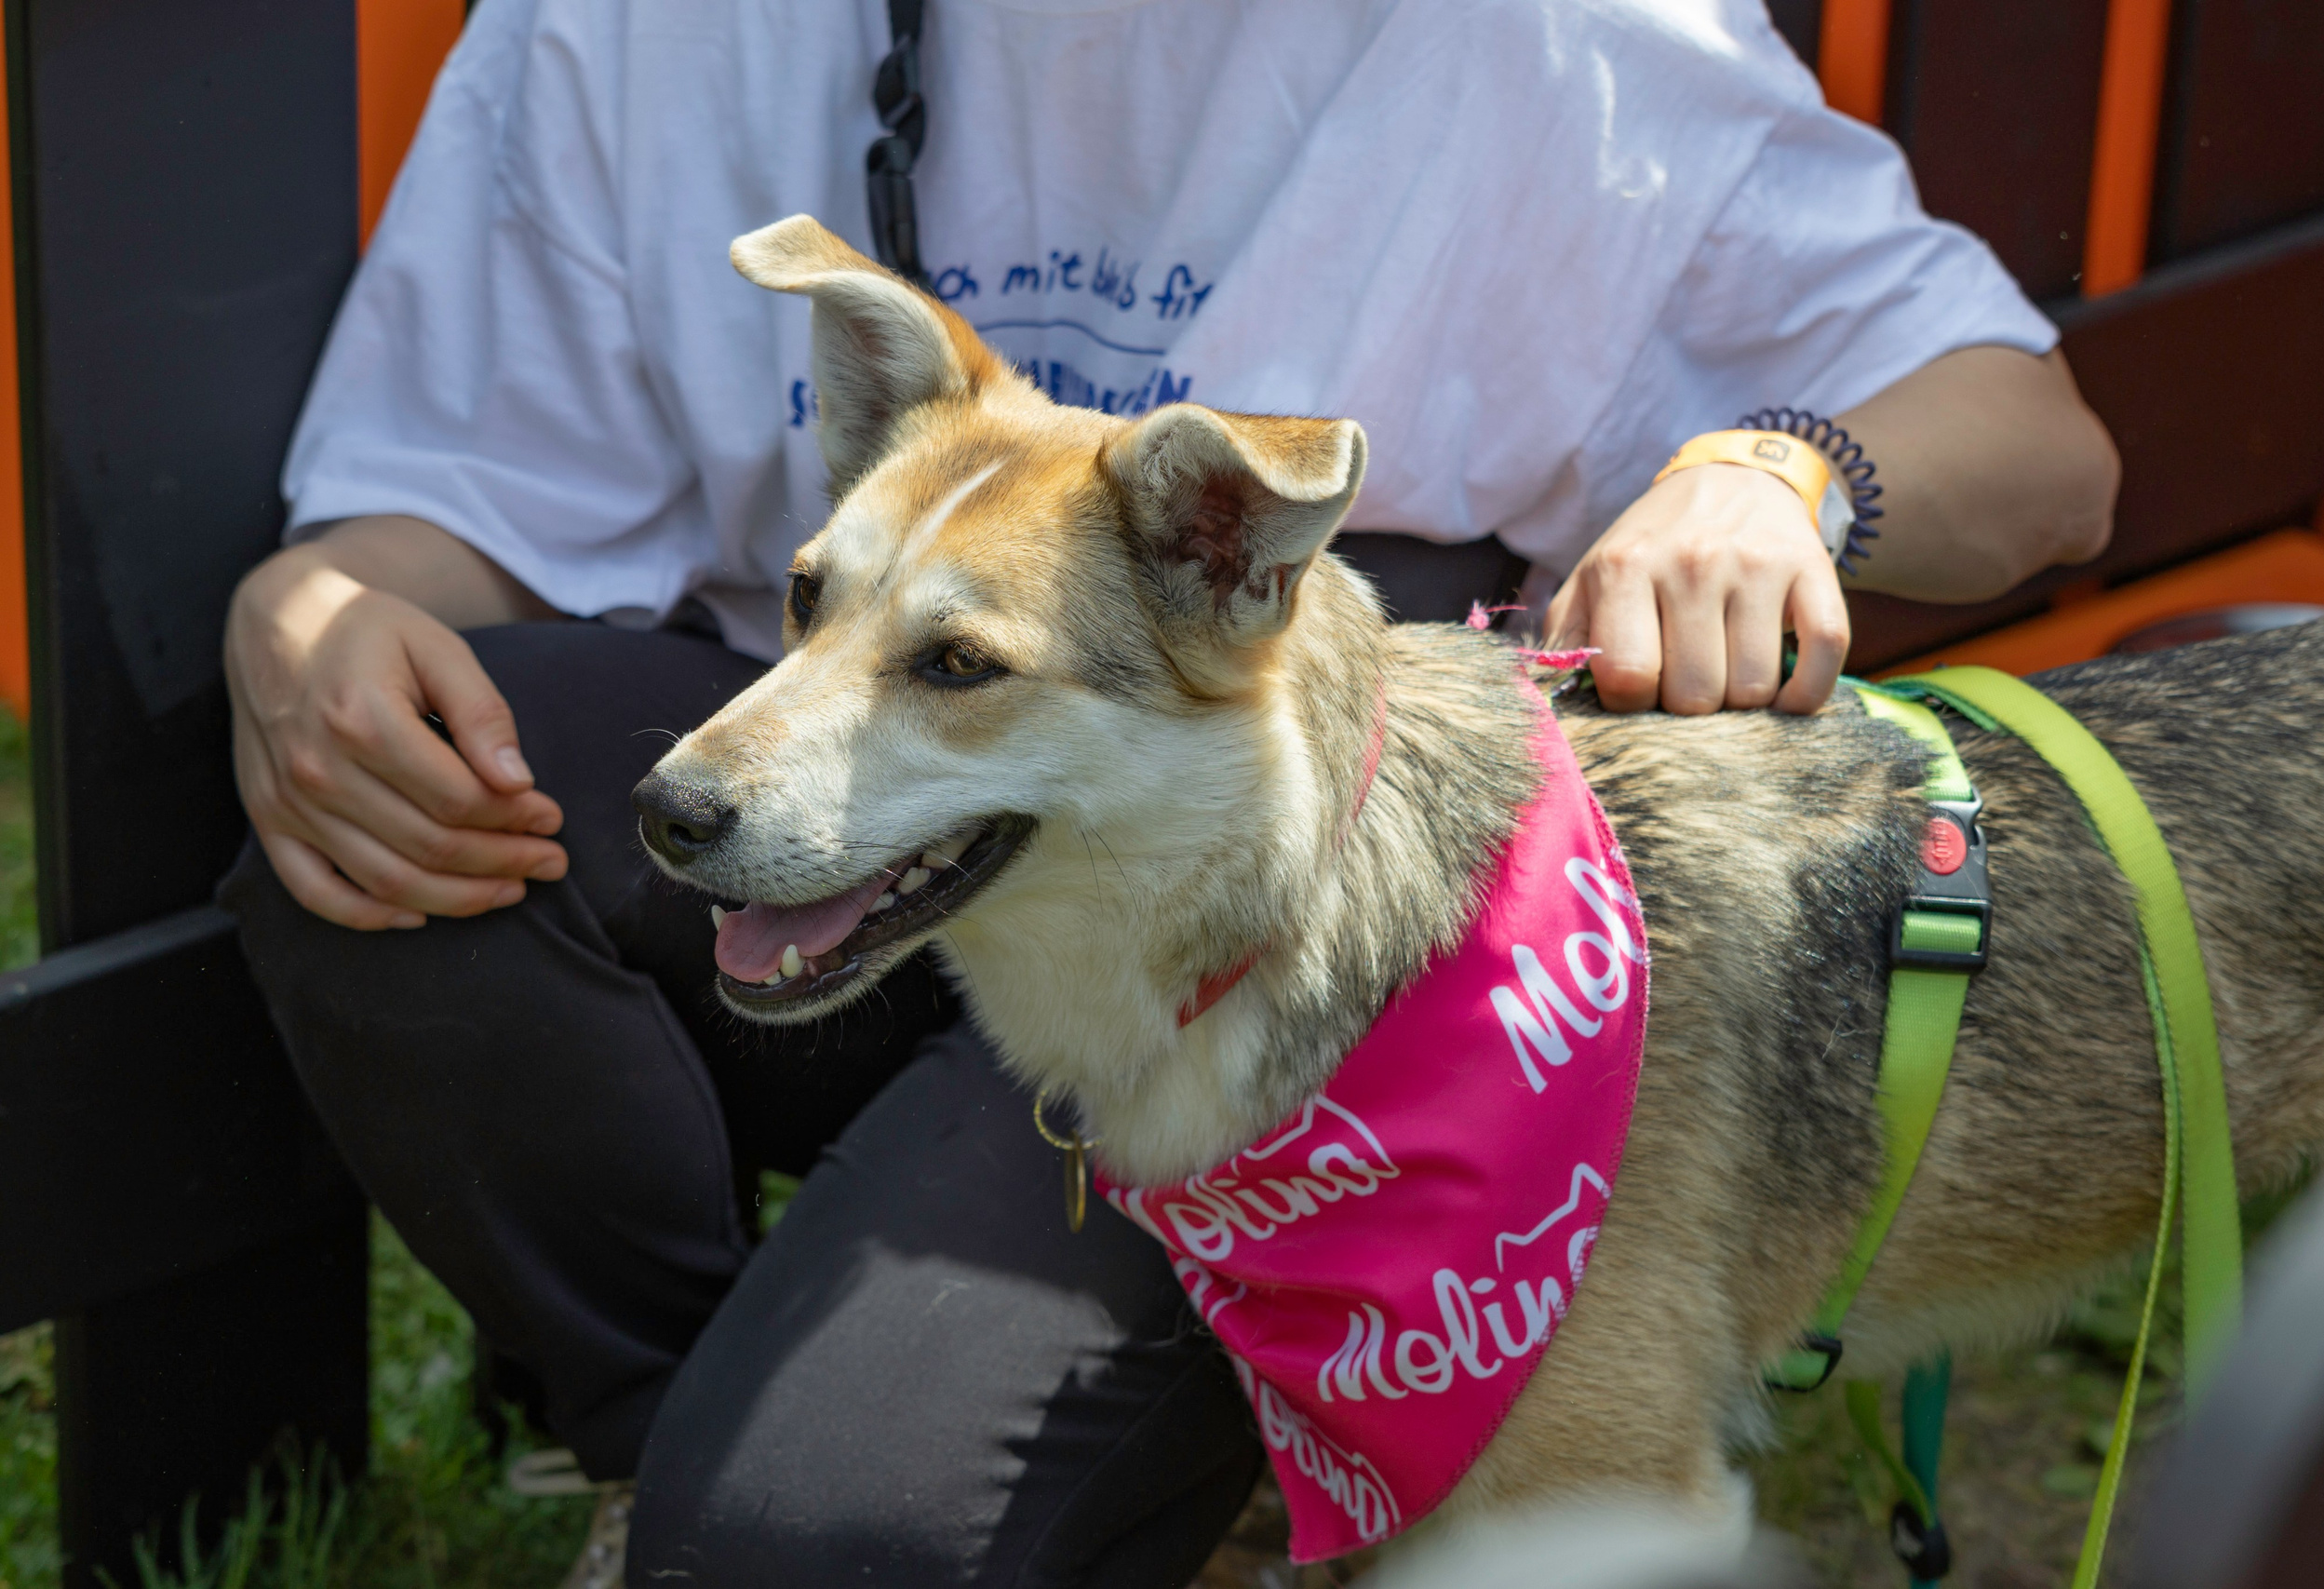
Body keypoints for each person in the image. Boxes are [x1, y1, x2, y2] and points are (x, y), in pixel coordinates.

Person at [217, 2, 2118, 1585]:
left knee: (822, 1545)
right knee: (397, 803)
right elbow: (437, 510)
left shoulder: (1567, 41)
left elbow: (2039, 455)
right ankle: (674, 1425)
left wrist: (1775, 464)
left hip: (1291, 973)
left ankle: (919, 1437)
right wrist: (308, 618)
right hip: (851, 826)